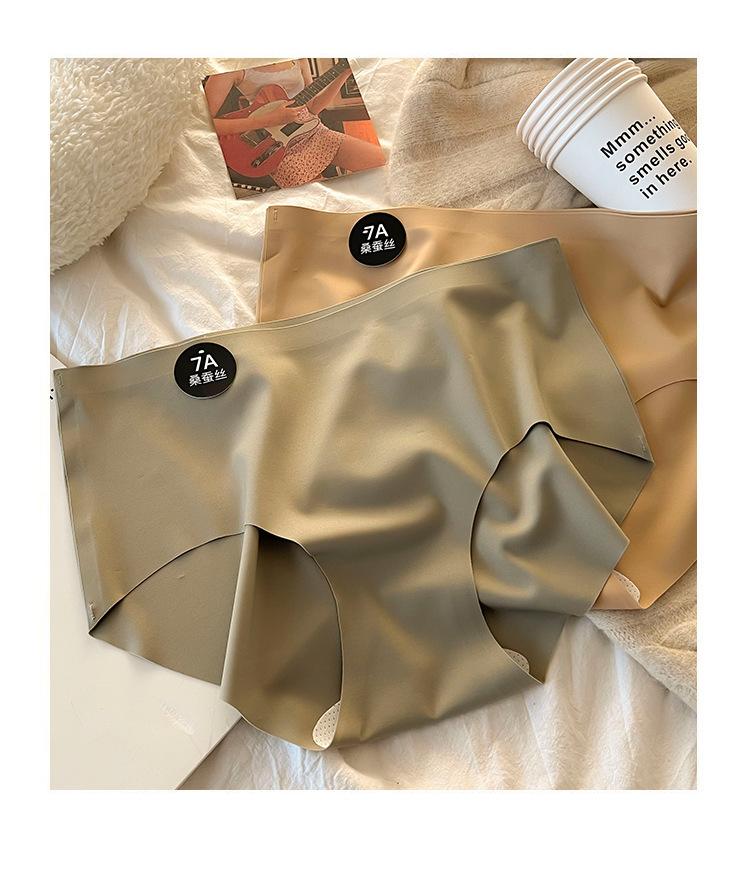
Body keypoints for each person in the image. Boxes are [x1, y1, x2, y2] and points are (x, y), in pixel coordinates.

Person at [205, 60, 385, 187]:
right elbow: (202, 124)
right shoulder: (230, 65)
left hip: (315, 132)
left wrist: (344, 73)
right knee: (327, 201)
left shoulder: (299, 57)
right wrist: (269, 120)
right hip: (275, 148)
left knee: (384, 165)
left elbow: (313, 107)